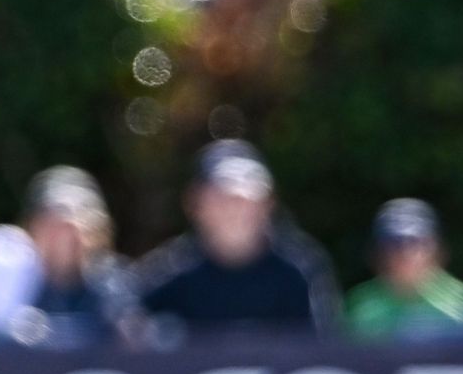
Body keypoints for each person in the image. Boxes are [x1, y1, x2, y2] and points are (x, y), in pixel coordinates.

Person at [136, 140, 336, 338]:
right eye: (221, 199)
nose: (235, 210)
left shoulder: (301, 270)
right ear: (194, 204)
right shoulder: (167, 273)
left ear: (269, 204)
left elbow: (324, 339)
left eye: (247, 200)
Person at [18, 166, 137, 345]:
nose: (65, 234)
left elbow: (132, 337)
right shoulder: (15, 282)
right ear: (34, 227)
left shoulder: (115, 285)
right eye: (52, 223)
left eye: (80, 217)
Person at [344, 199, 463, 339]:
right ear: (378, 252)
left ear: (436, 249)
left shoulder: (460, 299)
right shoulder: (360, 303)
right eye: (394, 243)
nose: (405, 252)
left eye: (416, 242)